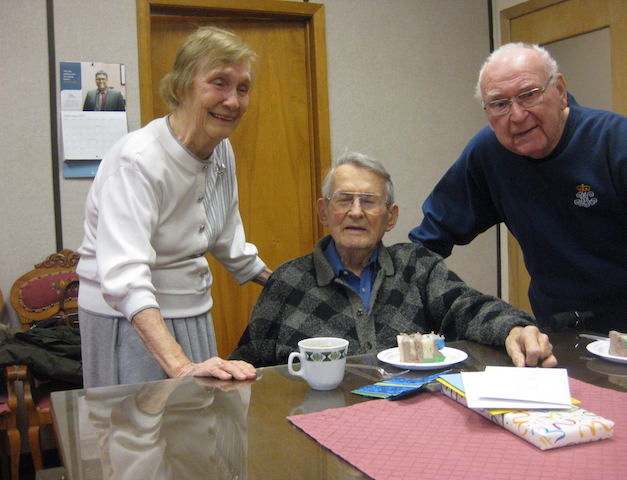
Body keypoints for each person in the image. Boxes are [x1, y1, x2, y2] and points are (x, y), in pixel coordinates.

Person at [229, 152, 556, 368]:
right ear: (323, 212)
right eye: (344, 200)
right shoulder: (287, 282)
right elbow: (246, 366)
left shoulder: (417, 267)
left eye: (369, 201)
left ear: (391, 217)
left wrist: (513, 328)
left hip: (409, 428)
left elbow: (467, 307)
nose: (356, 212)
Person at [77, 26, 271, 388]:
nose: (233, 101)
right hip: (130, 320)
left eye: (243, 88)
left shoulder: (220, 148)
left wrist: (283, 285)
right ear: (181, 86)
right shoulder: (137, 160)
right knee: (140, 424)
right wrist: (180, 366)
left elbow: (225, 238)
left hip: (193, 313)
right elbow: (125, 279)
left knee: (197, 417)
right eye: (219, 83)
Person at [409, 43, 627, 334]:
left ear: (560, 91)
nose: (518, 115)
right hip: (558, 328)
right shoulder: (488, 153)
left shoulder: (615, 141)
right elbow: (430, 240)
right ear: (488, 115)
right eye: (499, 104)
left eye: (529, 95)